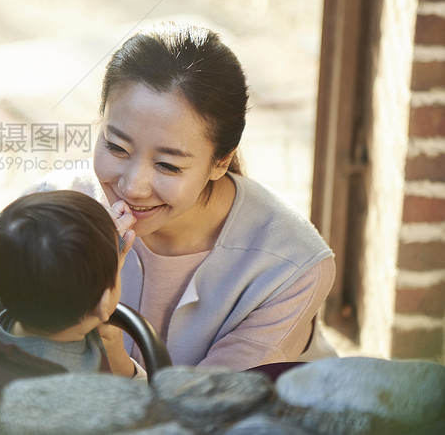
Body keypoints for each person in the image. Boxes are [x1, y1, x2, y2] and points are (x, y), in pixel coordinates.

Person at [34, 21, 336, 371]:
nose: (132, 187)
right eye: (116, 147)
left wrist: (107, 340)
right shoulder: (54, 208)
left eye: (168, 166)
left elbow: (204, 415)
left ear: (221, 161)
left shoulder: (289, 268)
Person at [0, 190, 146, 378]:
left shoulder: (10, 296)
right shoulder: (82, 380)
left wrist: (103, 241)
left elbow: (49, 254)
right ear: (101, 305)